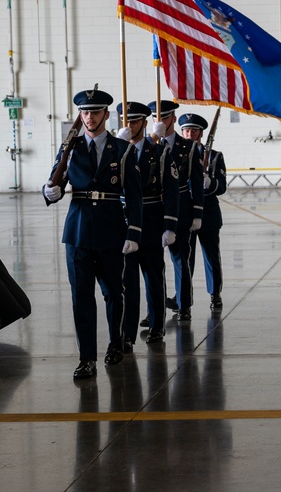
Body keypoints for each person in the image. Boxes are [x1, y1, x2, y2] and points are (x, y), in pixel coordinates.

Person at [43, 88, 143, 379]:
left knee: (114, 292)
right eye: (85, 112)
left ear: (106, 115)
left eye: (95, 112)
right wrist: (49, 192)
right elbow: (54, 183)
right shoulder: (70, 148)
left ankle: (115, 343)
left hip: (112, 230)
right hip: (77, 232)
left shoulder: (123, 150)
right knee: (81, 297)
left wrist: (133, 233)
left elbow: (134, 197)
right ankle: (86, 358)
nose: (89, 117)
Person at [116, 101, 179, 345]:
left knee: (153, 277)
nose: (129, 126)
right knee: (127, 281)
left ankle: (156, 325)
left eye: (133, 121)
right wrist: (120, 148)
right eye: (125, 121)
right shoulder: (116, 151)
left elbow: (172, 191)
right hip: (125, 222)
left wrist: (170, 226)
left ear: (144, 123)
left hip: (151, 219)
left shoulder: (159, 151)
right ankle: (128, 333)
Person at [149, 99, 204, 322]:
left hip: (181, 207)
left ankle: (183, 305)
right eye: (155, 117)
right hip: (154, 208)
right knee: (152, 263)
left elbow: (197, 182)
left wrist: (198, 213)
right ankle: (155, 309)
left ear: (173, 118)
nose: (159, 121)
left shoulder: (188, 147)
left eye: (163, 117)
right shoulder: (147, 145)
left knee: (181, 259)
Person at [180, 114, 227, 311]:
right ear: (182, 133)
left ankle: (215, 293)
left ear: (201, 133)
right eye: (187, 131)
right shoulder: (177, 155)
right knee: (184, 259)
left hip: (207, 213)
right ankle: (184, 297)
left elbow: (222, 186)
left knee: (211, 256)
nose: (190, 134)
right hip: (186, 212)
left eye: (194, 131)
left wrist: (210, 182)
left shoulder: (215, 157)